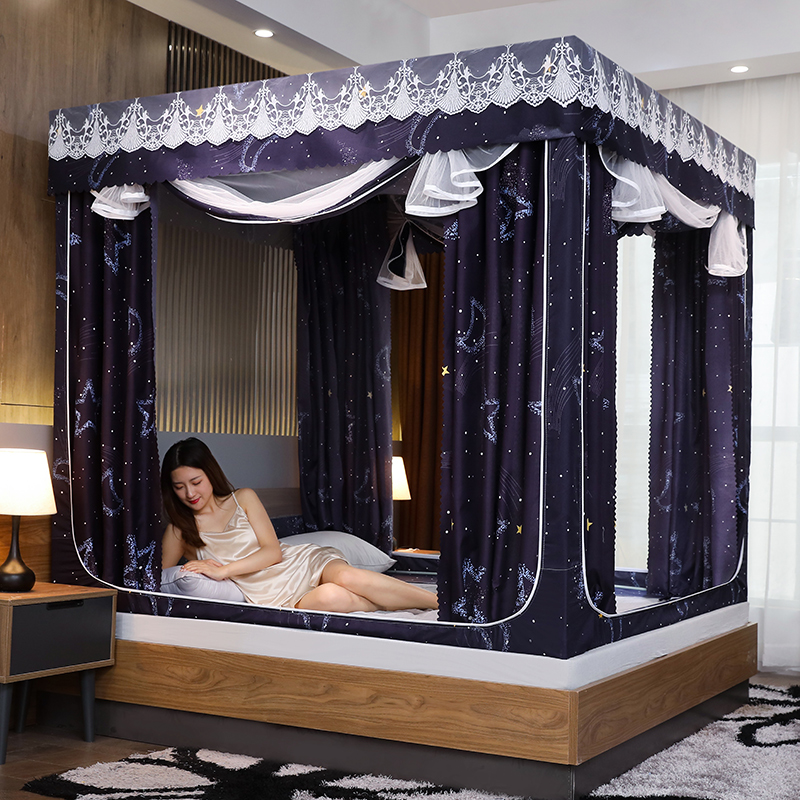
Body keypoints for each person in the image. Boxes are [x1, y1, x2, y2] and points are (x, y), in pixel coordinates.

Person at [160, 437, 438, 614]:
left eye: (195, 482)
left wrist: (224, 570)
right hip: (269, 595)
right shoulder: (179, 530)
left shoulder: (243, 498)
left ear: (210, 474)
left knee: (347, 578)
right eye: (179, 487)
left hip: (298, 563)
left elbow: (273, 552)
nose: (190, 493)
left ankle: (440, 603)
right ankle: (394, 604)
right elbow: (155, 581)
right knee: (330, 597)